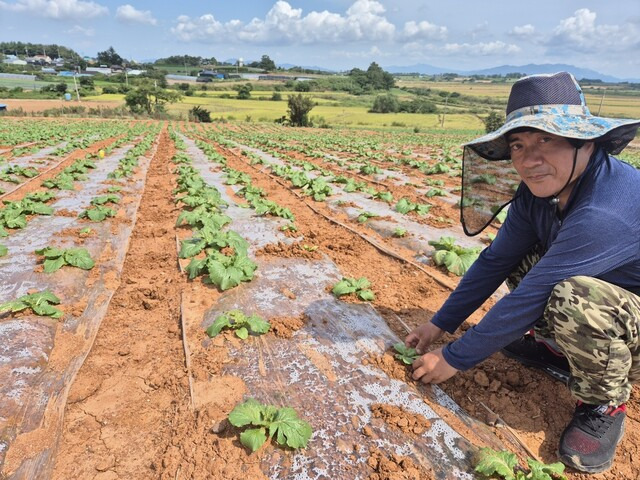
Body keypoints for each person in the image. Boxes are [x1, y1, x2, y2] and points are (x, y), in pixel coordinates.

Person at [405, 71, 640, 473]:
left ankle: (605, 400)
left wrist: (454, 359)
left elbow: (536, 293)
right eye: (518, 144)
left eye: (545, 140)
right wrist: (440, 324)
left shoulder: (608, 207)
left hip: (627, 326)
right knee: (524, 258)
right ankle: (557, 349)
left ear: (583, 140)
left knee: (574, 297)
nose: (529, 160)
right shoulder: (538, 195)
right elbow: (496, 260)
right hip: (611, 305)